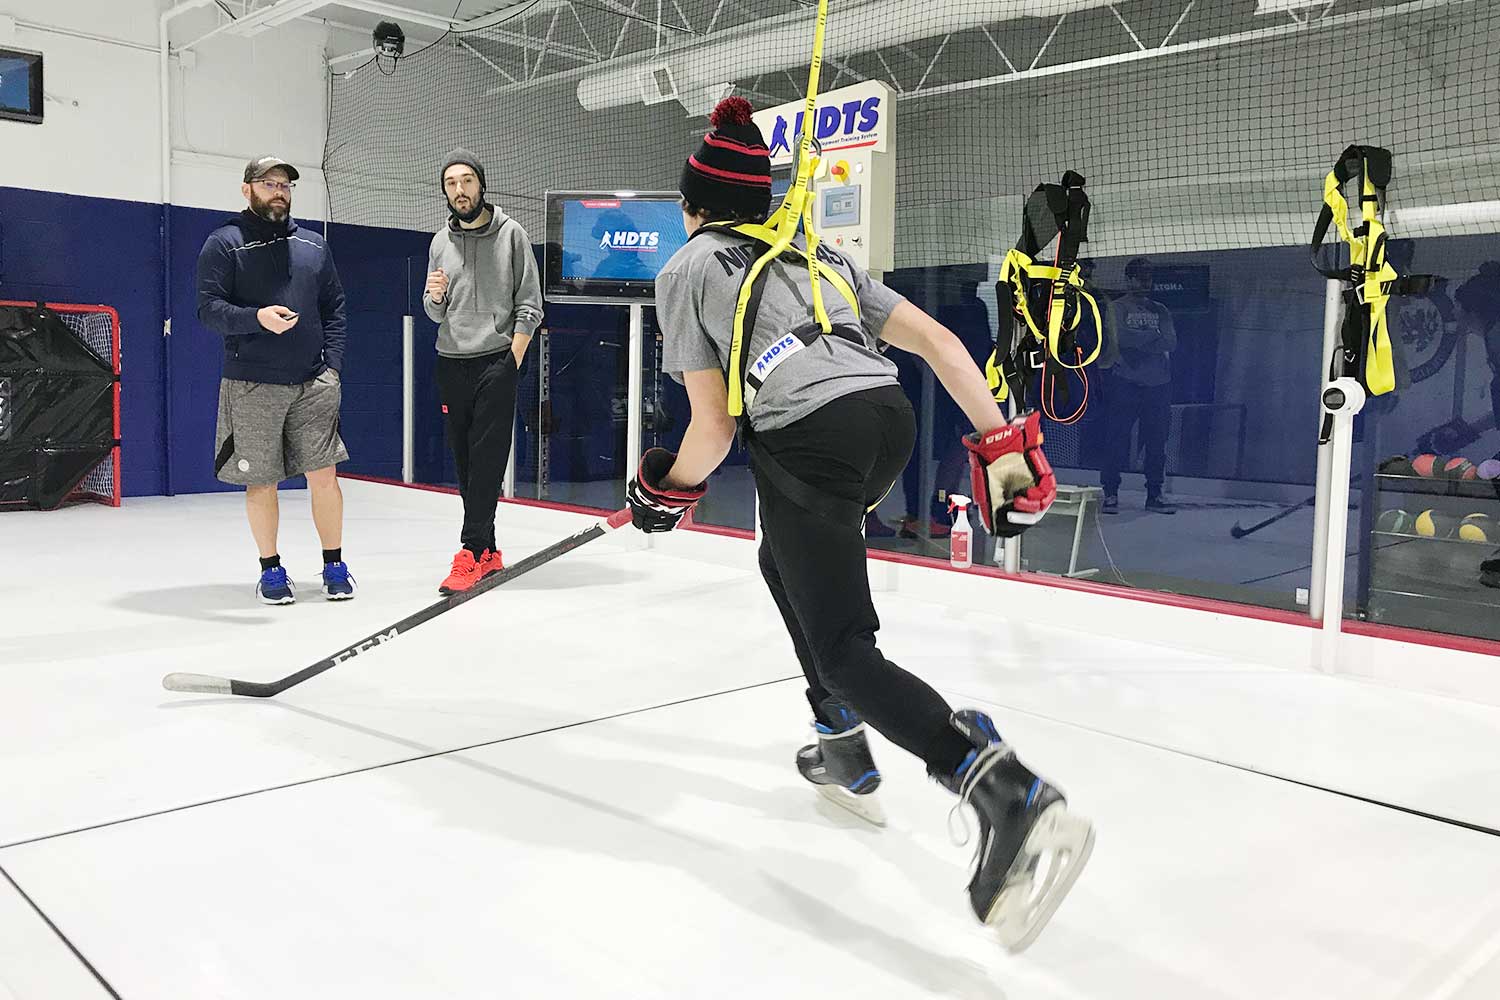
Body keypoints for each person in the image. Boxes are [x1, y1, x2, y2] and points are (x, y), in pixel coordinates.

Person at [623, 97, 1093, 952]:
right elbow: (946, 346)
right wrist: (1001, 447)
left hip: (812, 435)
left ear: (691, 205)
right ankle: (841, 740)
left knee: (845, 646)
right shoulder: (809, 249)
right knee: (783, 560)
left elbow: (712, 431)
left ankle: (1003, 791)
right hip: (886, 421)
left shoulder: (686, 268)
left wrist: (661, 492)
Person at [196, 155, 354, 605]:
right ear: (247, 190)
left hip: (313, 384)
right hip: (252, 384)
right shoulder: (223, 244)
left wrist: (333, 368)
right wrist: (256, 318)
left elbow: (335, 308)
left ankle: (334, 565)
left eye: (285, 184)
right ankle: (271, 570)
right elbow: (207, 310)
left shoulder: (313, 247)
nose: (278, 191)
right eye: (268, 183)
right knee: (261, 481)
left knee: (325, 477)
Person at [423, 149, 544, 594]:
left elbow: (530, 304)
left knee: (489, 460)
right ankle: (490, 551)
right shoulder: (440, 242)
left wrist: (512, 358)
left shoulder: (512, 235)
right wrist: (435, 297)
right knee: (465, 462)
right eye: (451, 183)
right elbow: (434, 312)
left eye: (467, 181)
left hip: (496, 359)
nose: (460, 190)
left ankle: (470, 552)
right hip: (450, 360)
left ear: (481, 185)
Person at [1098, 256, 1177, 514]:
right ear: (1128, 279)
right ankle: (1110, 493)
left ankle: (1155, 494)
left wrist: (1142, 340)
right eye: (1140, 277)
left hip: (1158, 385)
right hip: (1126, 383)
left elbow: (1170, 342)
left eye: (1149, 278)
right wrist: (1151, 338)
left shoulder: (1161, 310)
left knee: (1157, 442)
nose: (1145, 283)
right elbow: (1121, 337)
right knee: (1116, 439)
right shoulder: (1117, 308)